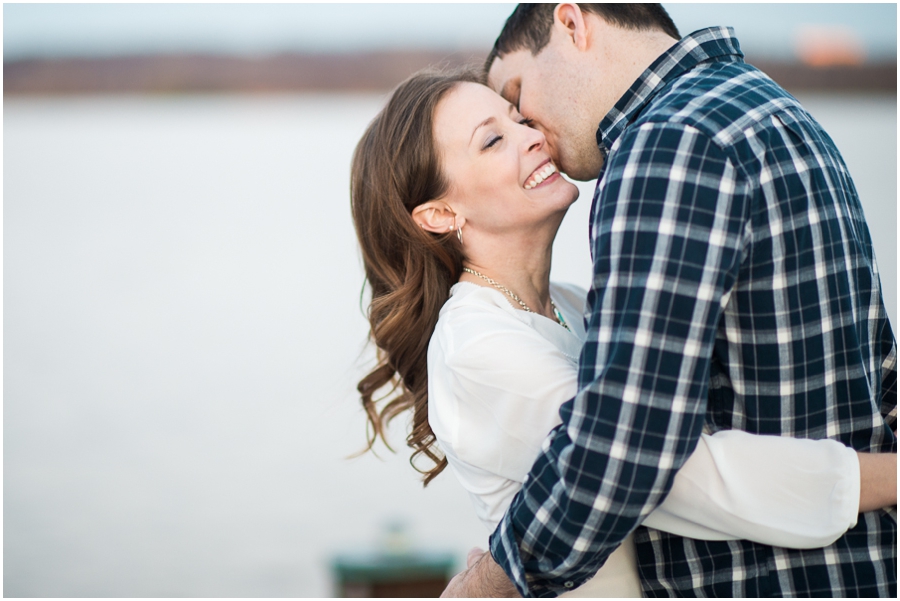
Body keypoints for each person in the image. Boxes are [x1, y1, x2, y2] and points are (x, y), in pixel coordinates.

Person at [349, 67, 897, 596]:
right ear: (439, 215)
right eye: (492, 141)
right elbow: (672, 473)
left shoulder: (569, 304)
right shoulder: (477, 347)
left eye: (518, 119)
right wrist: (886, 478)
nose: (531, 137)